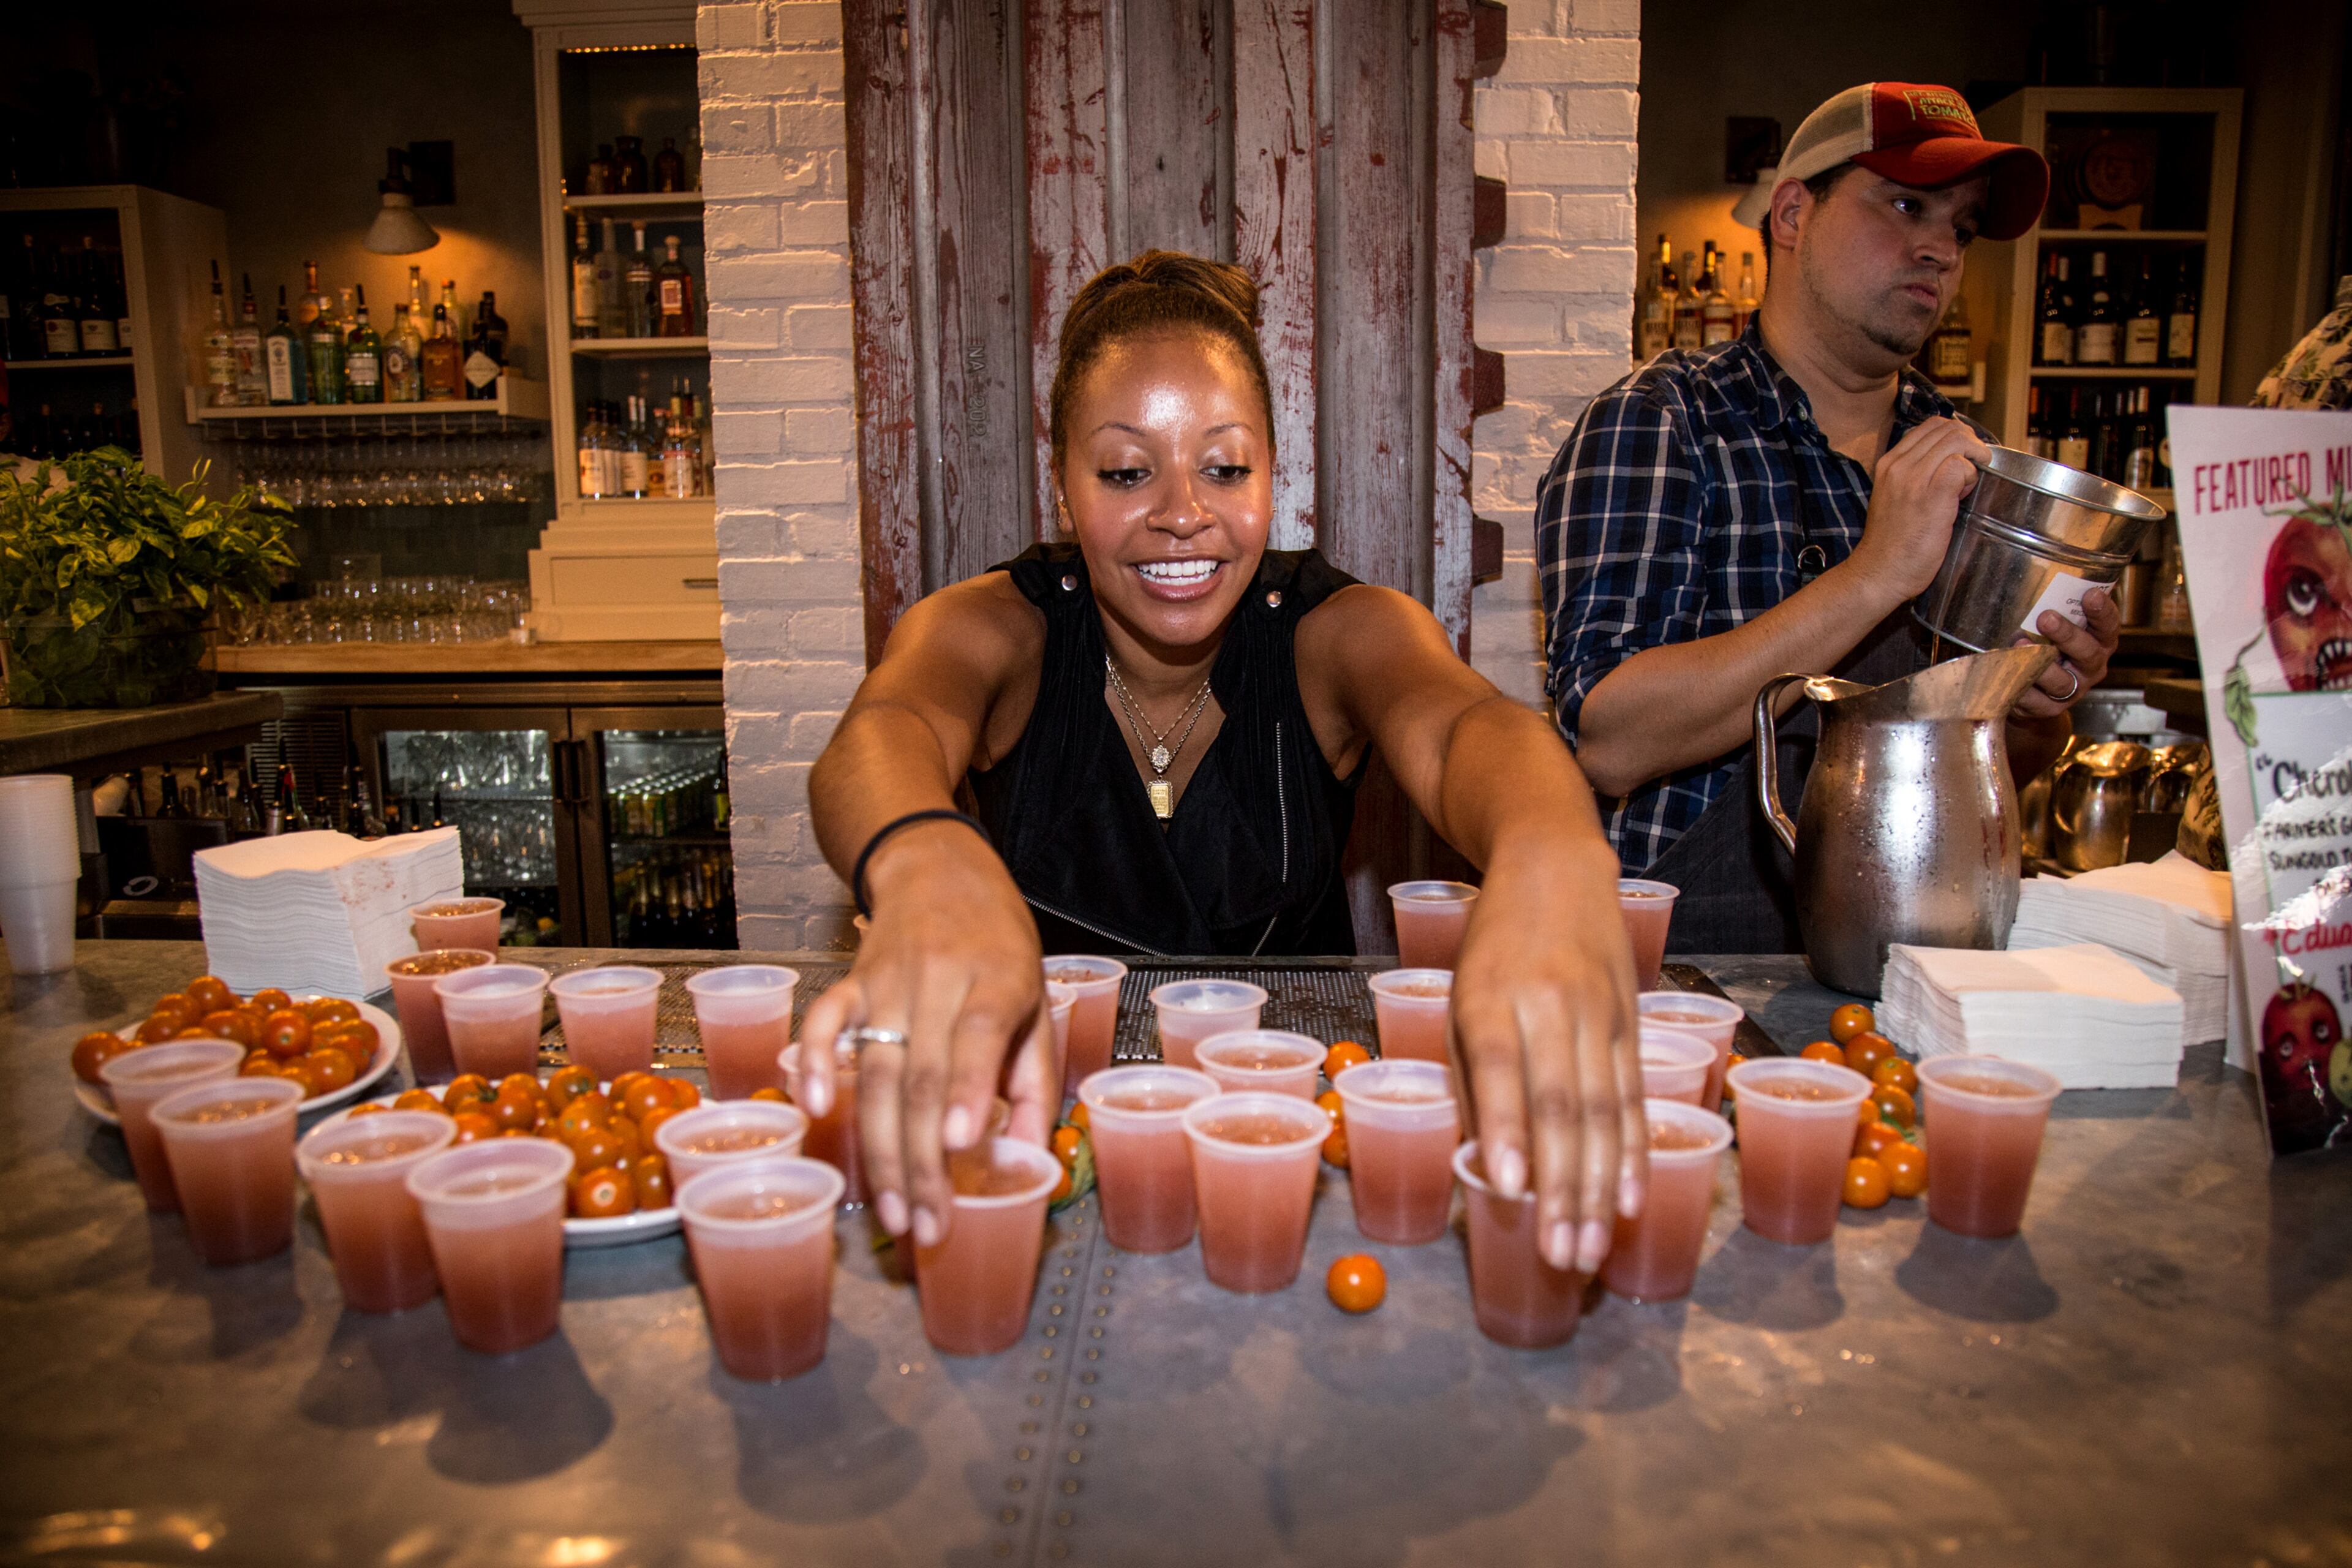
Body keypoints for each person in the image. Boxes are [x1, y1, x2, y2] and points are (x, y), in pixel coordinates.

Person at [799, 251, 1642, 1276]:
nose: (1182, 512)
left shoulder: (1336, 632)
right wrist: (928, 863)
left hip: (1296, 1170)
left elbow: (1470, 726)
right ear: (1061, 485)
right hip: (1036, 1160)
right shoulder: (998, 629)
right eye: (1125, 472)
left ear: (1271, 479)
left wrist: (1553, 853)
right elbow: (880, 734)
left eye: (1224, 466)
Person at [1539, 81, 2120, 950]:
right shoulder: (1663, 423)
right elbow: (1611, 739)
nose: (1938, 250)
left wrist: (2037, 704)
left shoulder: (1970, 461)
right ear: (1792, 214)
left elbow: (1996, 768)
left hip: (1917, 952)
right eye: (1905, 205)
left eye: (1958, 229)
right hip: (1696, 972)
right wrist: (1877, 574)